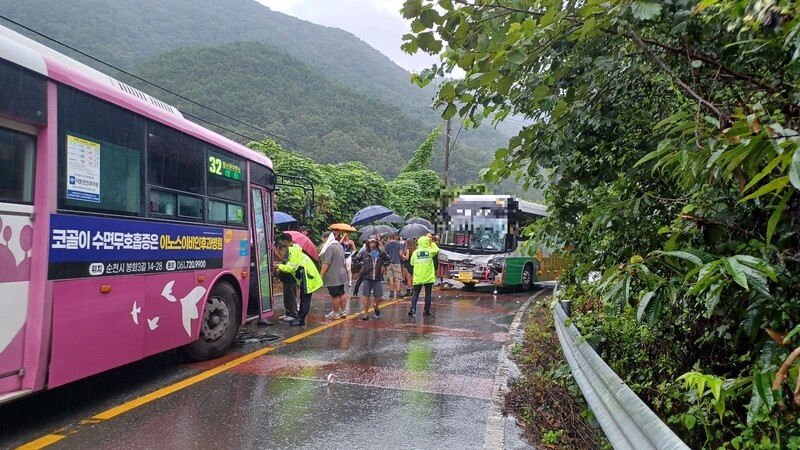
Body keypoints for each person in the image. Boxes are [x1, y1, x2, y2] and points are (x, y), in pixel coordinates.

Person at [273, 241, 323, 326]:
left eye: (279, 252)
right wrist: (280, 265)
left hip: (308, 277)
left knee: (305, 299)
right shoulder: (293, 253)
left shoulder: (293, 254)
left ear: (284, 250)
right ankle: (300, 318)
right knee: (303, 298)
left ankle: (300, 320)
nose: (279, 255)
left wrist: (278, 266)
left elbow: (290, 268)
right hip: (306, 276)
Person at [354, 236, 391, 320]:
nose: (371, 244)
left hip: (377, 277)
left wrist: (383, 266)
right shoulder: (364, 252)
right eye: (370, 242)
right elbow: (356, 259)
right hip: (367, 277)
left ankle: (376, 306)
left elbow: (388, 259)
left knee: (378, 296)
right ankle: (366, 314)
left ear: (376, 243)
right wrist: (362, 265)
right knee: (366, 296)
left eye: (373, 242)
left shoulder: (381, 252)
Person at [319, 231, 348, 319]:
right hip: (341, 274)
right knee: (341, 294)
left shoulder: (330, 248)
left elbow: (326, 262)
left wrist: (321, 274)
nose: (323, 240)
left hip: (333, 276)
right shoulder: (339, 245)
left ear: (326, 238)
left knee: (335, 296)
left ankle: (335, 313)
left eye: (323, 239)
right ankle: (343, 312)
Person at [408, 235, 439, 316]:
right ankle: (427, 310)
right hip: (428, 277)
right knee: (428, 294)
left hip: (418, 276)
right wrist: (432, 242)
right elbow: (437, 249)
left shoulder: (415, 253)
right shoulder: (430, 252)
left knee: (415, 294)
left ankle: (413, 308)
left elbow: (411, 263)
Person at [276, 233, 300, 322]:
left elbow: (287, 262)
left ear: (285, 241)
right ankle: (288, 312)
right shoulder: (290, 248)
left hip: (291, 275)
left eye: (282, 241)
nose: (282, 243)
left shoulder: (293, 249)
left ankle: (293, 313)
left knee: (291, 295)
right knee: (286, 294)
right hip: (286, 274)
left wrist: (279, 265)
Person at [383, 233, 404, 298]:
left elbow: (384, 253)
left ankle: (391, 293)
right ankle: (398, 292)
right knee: (398, 278)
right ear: (394, 237)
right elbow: (400, 254)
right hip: (396, 262)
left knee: (391, 278)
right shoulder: (398, 244)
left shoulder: (386, 245)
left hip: (389, 263)